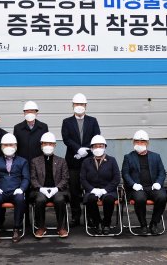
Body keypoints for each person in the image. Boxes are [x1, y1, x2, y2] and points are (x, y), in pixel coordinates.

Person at [61, 93, 100, 227]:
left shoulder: (92, 121)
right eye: (77, 104)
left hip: (89, 160)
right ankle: (75, 217)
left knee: (89, 189)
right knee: (74, 190)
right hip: (73, 161)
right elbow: (66, 139)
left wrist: (86, 149)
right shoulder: (67, 122)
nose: (79, 107)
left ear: (86, 106)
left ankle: (90, 217)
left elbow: (97, 137)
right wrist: (78, 149)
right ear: (73, 105)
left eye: (82, 104)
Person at [122, 130, 167, 235]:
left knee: (162, 197)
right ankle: (143, 225)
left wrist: (158, 183)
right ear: (133, 143)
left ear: (147, 143)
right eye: (137, 142)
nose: (139, 144)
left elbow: (162, 172)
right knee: (140, 199)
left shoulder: (156, 156)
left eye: (142, 142)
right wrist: (133, 184)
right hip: (138, 188)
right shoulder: (128, 157)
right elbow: (125, 173)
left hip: (152, 187)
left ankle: (154, 223)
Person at [0, 133, 29, 244]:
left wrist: (21, 189)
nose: (8, 147)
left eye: (11, 145)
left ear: (15, 146)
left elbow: (26, 178)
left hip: (16, 191)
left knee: (20, 200)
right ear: (1, 147)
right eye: (5, 145)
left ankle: (17, 229)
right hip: (0, 191)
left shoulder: (23, 161)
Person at [29, 132, 70, 238]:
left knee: (60, 200)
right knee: (39, 200)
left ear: (55, 145)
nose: (48, 146)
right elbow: (33, 178)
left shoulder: (61, 161)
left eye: (50, 144)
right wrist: (40, 188)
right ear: (41, 145)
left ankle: (61, 227)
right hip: (40, 190)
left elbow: (65, 178)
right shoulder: (35, 161)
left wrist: (57, 188)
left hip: (57, 190)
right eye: (45, 143)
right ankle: (41, 227)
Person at [80, 135, 120, 235]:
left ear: (105, 147)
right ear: (91, 148)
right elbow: (83, 179)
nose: (98, 148)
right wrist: (92, 189)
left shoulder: (112, 160)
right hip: (91, 190)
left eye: (101, 146)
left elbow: (116, 178)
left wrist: (105, 190)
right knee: (91, 199)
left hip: (108, 190)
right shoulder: (86, 162)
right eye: (95, 146)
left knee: (109, 199)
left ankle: (106, 224)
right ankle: (97, 223)